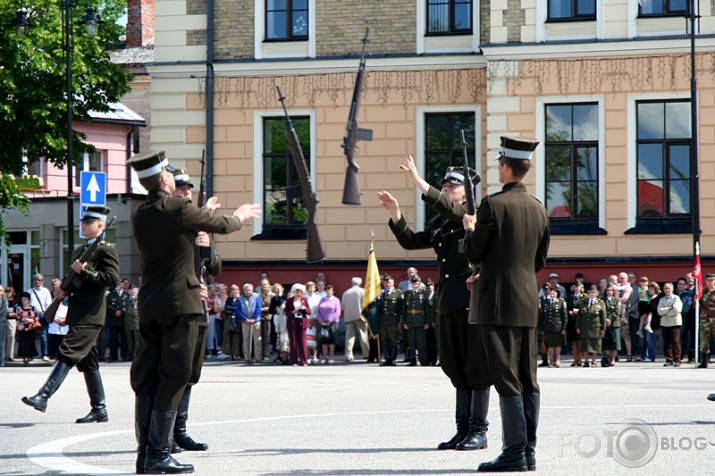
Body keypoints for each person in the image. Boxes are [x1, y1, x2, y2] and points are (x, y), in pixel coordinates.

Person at [127, 149, 260, 474]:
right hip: (180, 306)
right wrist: (241, 214)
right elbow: (223, 224)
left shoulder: (141, 213)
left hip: (149, 305)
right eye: (169, 174)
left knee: (148, 378)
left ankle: (146, 454)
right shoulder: (178, 207)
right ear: (163, 179)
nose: (173, 177)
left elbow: (182, 242)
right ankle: (158, 455)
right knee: (175, 376)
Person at [379, 156, 489, 453]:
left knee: (475, 367)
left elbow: (454, 212)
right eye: (444, 184)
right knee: (455, 366)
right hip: (448, 301)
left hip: (471, 300)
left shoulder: (472, 216)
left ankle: (479, 430)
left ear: (466, 191)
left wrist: (421, 184)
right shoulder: (442, 221)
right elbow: (413, 241)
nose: (446, 188)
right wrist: (396, 215)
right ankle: (462, 429)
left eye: (452, 185)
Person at [462, 136, 549, 472]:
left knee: (506, 377)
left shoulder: (492, 205)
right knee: (528, 377)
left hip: (496, 302)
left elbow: (473, 251)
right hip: (527, 300)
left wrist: (470, 229)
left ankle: (514, 452)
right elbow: (538, 261)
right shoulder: (539, 207)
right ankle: (527, 451)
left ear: (506, 166)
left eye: (499, 162)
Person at [21, 206, 120, 425]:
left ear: (101, 226)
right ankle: (99, 409)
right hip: (78, 312)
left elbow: (112, 279)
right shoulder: (79, 250)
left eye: (89, 222)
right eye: (83, 221)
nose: (83, 224)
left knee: (68, 352)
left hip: (91, 315)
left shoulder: (105, 250)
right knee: (89, 362)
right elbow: (74, 279)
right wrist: (64, 291)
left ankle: (44, 395)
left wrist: (84, 270)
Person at [402, 276, 430, 366]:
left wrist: (427, 322)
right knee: (411, 343)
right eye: (414, 283)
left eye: (417, 283)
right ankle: (412, 360)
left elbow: (427, 309)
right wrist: (404, 322)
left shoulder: (424, 294)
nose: (415, 285)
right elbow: (404, 309)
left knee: (421, 343)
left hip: (420, 321)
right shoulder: (407, 294)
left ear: (419, 284)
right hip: (410, 321)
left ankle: (423, 361)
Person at [577, 285, 606, 367]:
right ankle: (586, 361)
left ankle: (594, 361)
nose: (591, 294)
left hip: (595, 327)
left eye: (593, 292)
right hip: (585, 326)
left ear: (596, 293)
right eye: (590, 292)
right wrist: (577, 326)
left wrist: (603, 328)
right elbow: (579, 315)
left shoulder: (600, 303)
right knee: (585, 344)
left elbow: (603, 317)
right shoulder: (583, 302)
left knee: (595, 344)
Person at [377, 276, 403, 366]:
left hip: (393, 320)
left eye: (389, 283)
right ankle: (387, 358)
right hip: (383, 320)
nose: (387, 284)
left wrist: (400, 320)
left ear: (393, 283)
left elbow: (401, 308)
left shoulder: (398, 293)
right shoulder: (383, 294)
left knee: (393, 340)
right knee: (384, 340)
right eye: (386, 283)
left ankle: (393, 358)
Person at [341, 277, 369, 362]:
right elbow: (366, 304)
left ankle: (348, 354)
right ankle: (366, 354)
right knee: (363, 335)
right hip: (360, 316)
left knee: (349, 336)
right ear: (360, 283)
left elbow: (343, 306)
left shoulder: (346, 292)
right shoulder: (362, 291)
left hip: (349, 316)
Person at [27, 274, 52, 362]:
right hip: (31, 314)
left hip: (42, 314)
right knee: (30, 335)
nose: (37, 282)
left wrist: (45, 314)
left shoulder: (45, 291)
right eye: (35, 280)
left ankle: (44, 354)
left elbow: (48, 304)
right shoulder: (29, 291)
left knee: (43, 335)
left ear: (42, 281)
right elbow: (27, 303)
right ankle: (31, 354)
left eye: (39, 280)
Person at [539, 287, 567, 368]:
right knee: (550, 345)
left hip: (558, 326)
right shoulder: (545, 302)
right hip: (548, 326)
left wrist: (564, 328)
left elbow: (564, 316)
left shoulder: (561, 302)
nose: (552, 294)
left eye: (554, 293)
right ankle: (551, 361)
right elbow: (542, 316)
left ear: (557, 294)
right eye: (551, 292)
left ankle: (557, 360)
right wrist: (541, 328)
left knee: (557, 344)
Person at [658, 282, 683, 367]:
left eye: (668, 288)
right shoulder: (662, 299)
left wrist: (666, 312)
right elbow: (659, 311)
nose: (667, 290)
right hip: (665, 323)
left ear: (672, 289)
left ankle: (677, 360)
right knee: (666, 342)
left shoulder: (676, 298)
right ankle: (669, 359)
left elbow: (677, 309)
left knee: (675, 342)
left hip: (674, 322)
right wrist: (669, 308)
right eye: (665, 288)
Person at [285, 284, 310, 366]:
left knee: (303, 342)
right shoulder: (289, 300)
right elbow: (286, 312)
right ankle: (294, 361)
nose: (299, 293)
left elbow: (309, 311)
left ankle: (303, 361)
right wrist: (292, 312)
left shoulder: (304, 300)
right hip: (292, 322)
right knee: (293, 342)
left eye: (300, 291)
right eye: (297, 291)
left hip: (302, 322)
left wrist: (305, 309)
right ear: (294, 292)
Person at [315, 284, 341, 364]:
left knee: (332, 340)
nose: (328, 292)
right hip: (322, 323)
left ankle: (331, 357)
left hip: (332, 323)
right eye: (327, 290)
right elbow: (318, 311)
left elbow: (337, 312)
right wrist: (320, 320)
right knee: (323, 340)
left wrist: (330, 320)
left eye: (330, 290)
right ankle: (325, 357)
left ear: (333, 292)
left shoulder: (336, 300)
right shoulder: (322, 299)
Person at [237, 283, 262, 363]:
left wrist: (253, 318)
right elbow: (238, 311)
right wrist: (245, 319)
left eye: (250, 290)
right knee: (246, 339)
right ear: (244, 290)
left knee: (257, 339)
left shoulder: (256, 296)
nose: (248, 292)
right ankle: (246, 357)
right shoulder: (240, 299)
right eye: (247, 290)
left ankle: (258, 357)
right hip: (245, 321)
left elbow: (258, 308)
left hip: (256, 321)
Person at [106, 281, 128, 362]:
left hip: (123, 320)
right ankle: (113, 355)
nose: (117, 286)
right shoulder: (110, 295)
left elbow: (128, 305)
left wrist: (122, 311)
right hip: (113, 320)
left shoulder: (126, 295)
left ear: (123, 285)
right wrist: (115, 311)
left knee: (124, 339)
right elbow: (108, 305)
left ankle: (124, 355)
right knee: (113, 339)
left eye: (119, 284)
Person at [16, 292, 39, 366]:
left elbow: (36, 317)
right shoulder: (19, 308)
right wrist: (27, 320)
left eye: (25, 299)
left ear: (29, 300)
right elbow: (18, 317)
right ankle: (24, 357)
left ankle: (29, 356)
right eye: (23, 299)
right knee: (23, 343)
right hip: (22, 328)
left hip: (31, 328)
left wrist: (31, 320)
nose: (24, 301)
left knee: (30, 342)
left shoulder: (33, 308)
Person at [602, 285, 622, 367]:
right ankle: (608, 358)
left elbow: (617, 311)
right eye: (607, 290)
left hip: (614, 323)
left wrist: (610, 319)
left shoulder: (617, 300)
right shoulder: (603, 300)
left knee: (614, 342)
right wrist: (605, 319)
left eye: (610, 290)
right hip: (605, 323)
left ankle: (613, 359)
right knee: (606, 342)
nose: (609, 292)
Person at [46, 288, 69, 359]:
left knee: (61, 343)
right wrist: (55, 320)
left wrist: (61, 321)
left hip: (62, 329)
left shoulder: (66, 308)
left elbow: (68, 318)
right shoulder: (51, 308)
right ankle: (51, 355)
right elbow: (48, 316)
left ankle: (61, 355)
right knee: (52, 342)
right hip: (53, 328)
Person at [698, 273, 715, 368]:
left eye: (711, 280)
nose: (709, 282)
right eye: (708, 280)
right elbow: (697, 306)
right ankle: (704, 361)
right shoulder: (702, 292)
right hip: (705, 320)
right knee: (704, 341)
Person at [566, 283, 585, 367]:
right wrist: (569, 311)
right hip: (572, 321)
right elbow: (566, 307)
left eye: (578, 287)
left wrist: (579, 310)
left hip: (581, 321)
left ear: (581, 288)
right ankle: (575, 359)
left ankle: (580, 359)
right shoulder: (570, 297)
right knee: (573, 341)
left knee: (580, 341)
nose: (576, 288)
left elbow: (587, 307)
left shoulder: (584, 297)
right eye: (575, 287)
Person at [269, 283, 288, 364]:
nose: (277, 290)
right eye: (275, 289)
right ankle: (278, 354)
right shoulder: (273, 299)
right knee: (277, 336)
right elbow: (271, 310)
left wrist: (280, 297)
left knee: (284, 337)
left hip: (284, 318)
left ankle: (285, 355)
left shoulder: (284, 297)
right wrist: (275, 310)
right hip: (276, 317)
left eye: (278, 289)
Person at [222, 284, 242, 361]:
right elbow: (226, 307)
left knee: (236, 337)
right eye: (233, 290)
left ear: (238, 291)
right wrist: (234, 309)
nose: (234, 291)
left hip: (237, 319)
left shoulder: (240, 299)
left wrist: (232, 309)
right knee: (229, 337)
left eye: (236, 290)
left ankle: (236, 354)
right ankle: (230, 354)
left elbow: (239, 308)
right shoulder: (229, 299)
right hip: (229, 319)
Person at [259, 278, 275, 361]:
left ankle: (267, 354)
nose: (263, 286)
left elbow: (273, 307)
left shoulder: (272, 295)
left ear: (268, 285)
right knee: (260, 337)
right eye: (262, 285)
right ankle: (260, 354)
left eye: (265, 284)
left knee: (267, 337)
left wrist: (264, 309)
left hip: (269, 317)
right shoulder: (259, 295)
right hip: (260, 317)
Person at [125, 284, 140, 361]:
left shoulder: (139, 299)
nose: (132, 291)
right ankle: (129, 355)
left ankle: (136, 355)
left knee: (137, 340)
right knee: (130, 340)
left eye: (134, 290)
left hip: (136, 322)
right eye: (131, 290)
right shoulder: (127, 298)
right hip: (128, 322)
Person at [5, 287, 17, 362]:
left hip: (11, 320)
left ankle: (10, 355)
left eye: (9, 292)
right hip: (3, 320)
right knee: (3, 338)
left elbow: (16, 313)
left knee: (11, 337)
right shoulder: (2, 301)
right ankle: (3, 355)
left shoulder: (14, 302)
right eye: (6, 292)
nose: (8, 294)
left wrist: (8, 314)